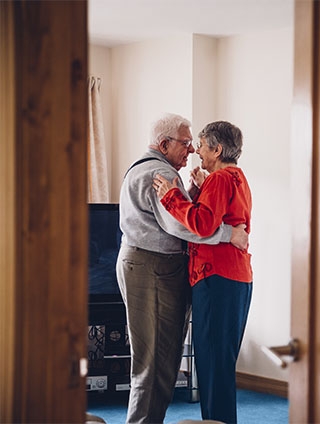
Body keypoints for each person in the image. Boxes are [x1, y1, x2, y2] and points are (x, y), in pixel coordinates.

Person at [116, 113, 248, 424]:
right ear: (163, 144)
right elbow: (187, 225)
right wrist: (231, 235)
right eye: (187, 143)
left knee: (162, 360)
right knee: (154, 363)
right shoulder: (159, 175)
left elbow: (191, 215)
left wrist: (191, 193)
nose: (191, 151)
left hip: (152, 266)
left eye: (196, 144)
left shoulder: (148, 167)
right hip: (153, 269)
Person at [153, 120, 252, 424]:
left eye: (202, 145)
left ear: (218, 149)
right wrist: (199, 187)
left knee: (211, 366)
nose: (196, 150)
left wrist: (171, 195)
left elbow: (202, 224)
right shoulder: (235, 177)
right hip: (235, 279)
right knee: (220, 364)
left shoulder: (221, 180)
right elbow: (215, 216)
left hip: (215, 278)